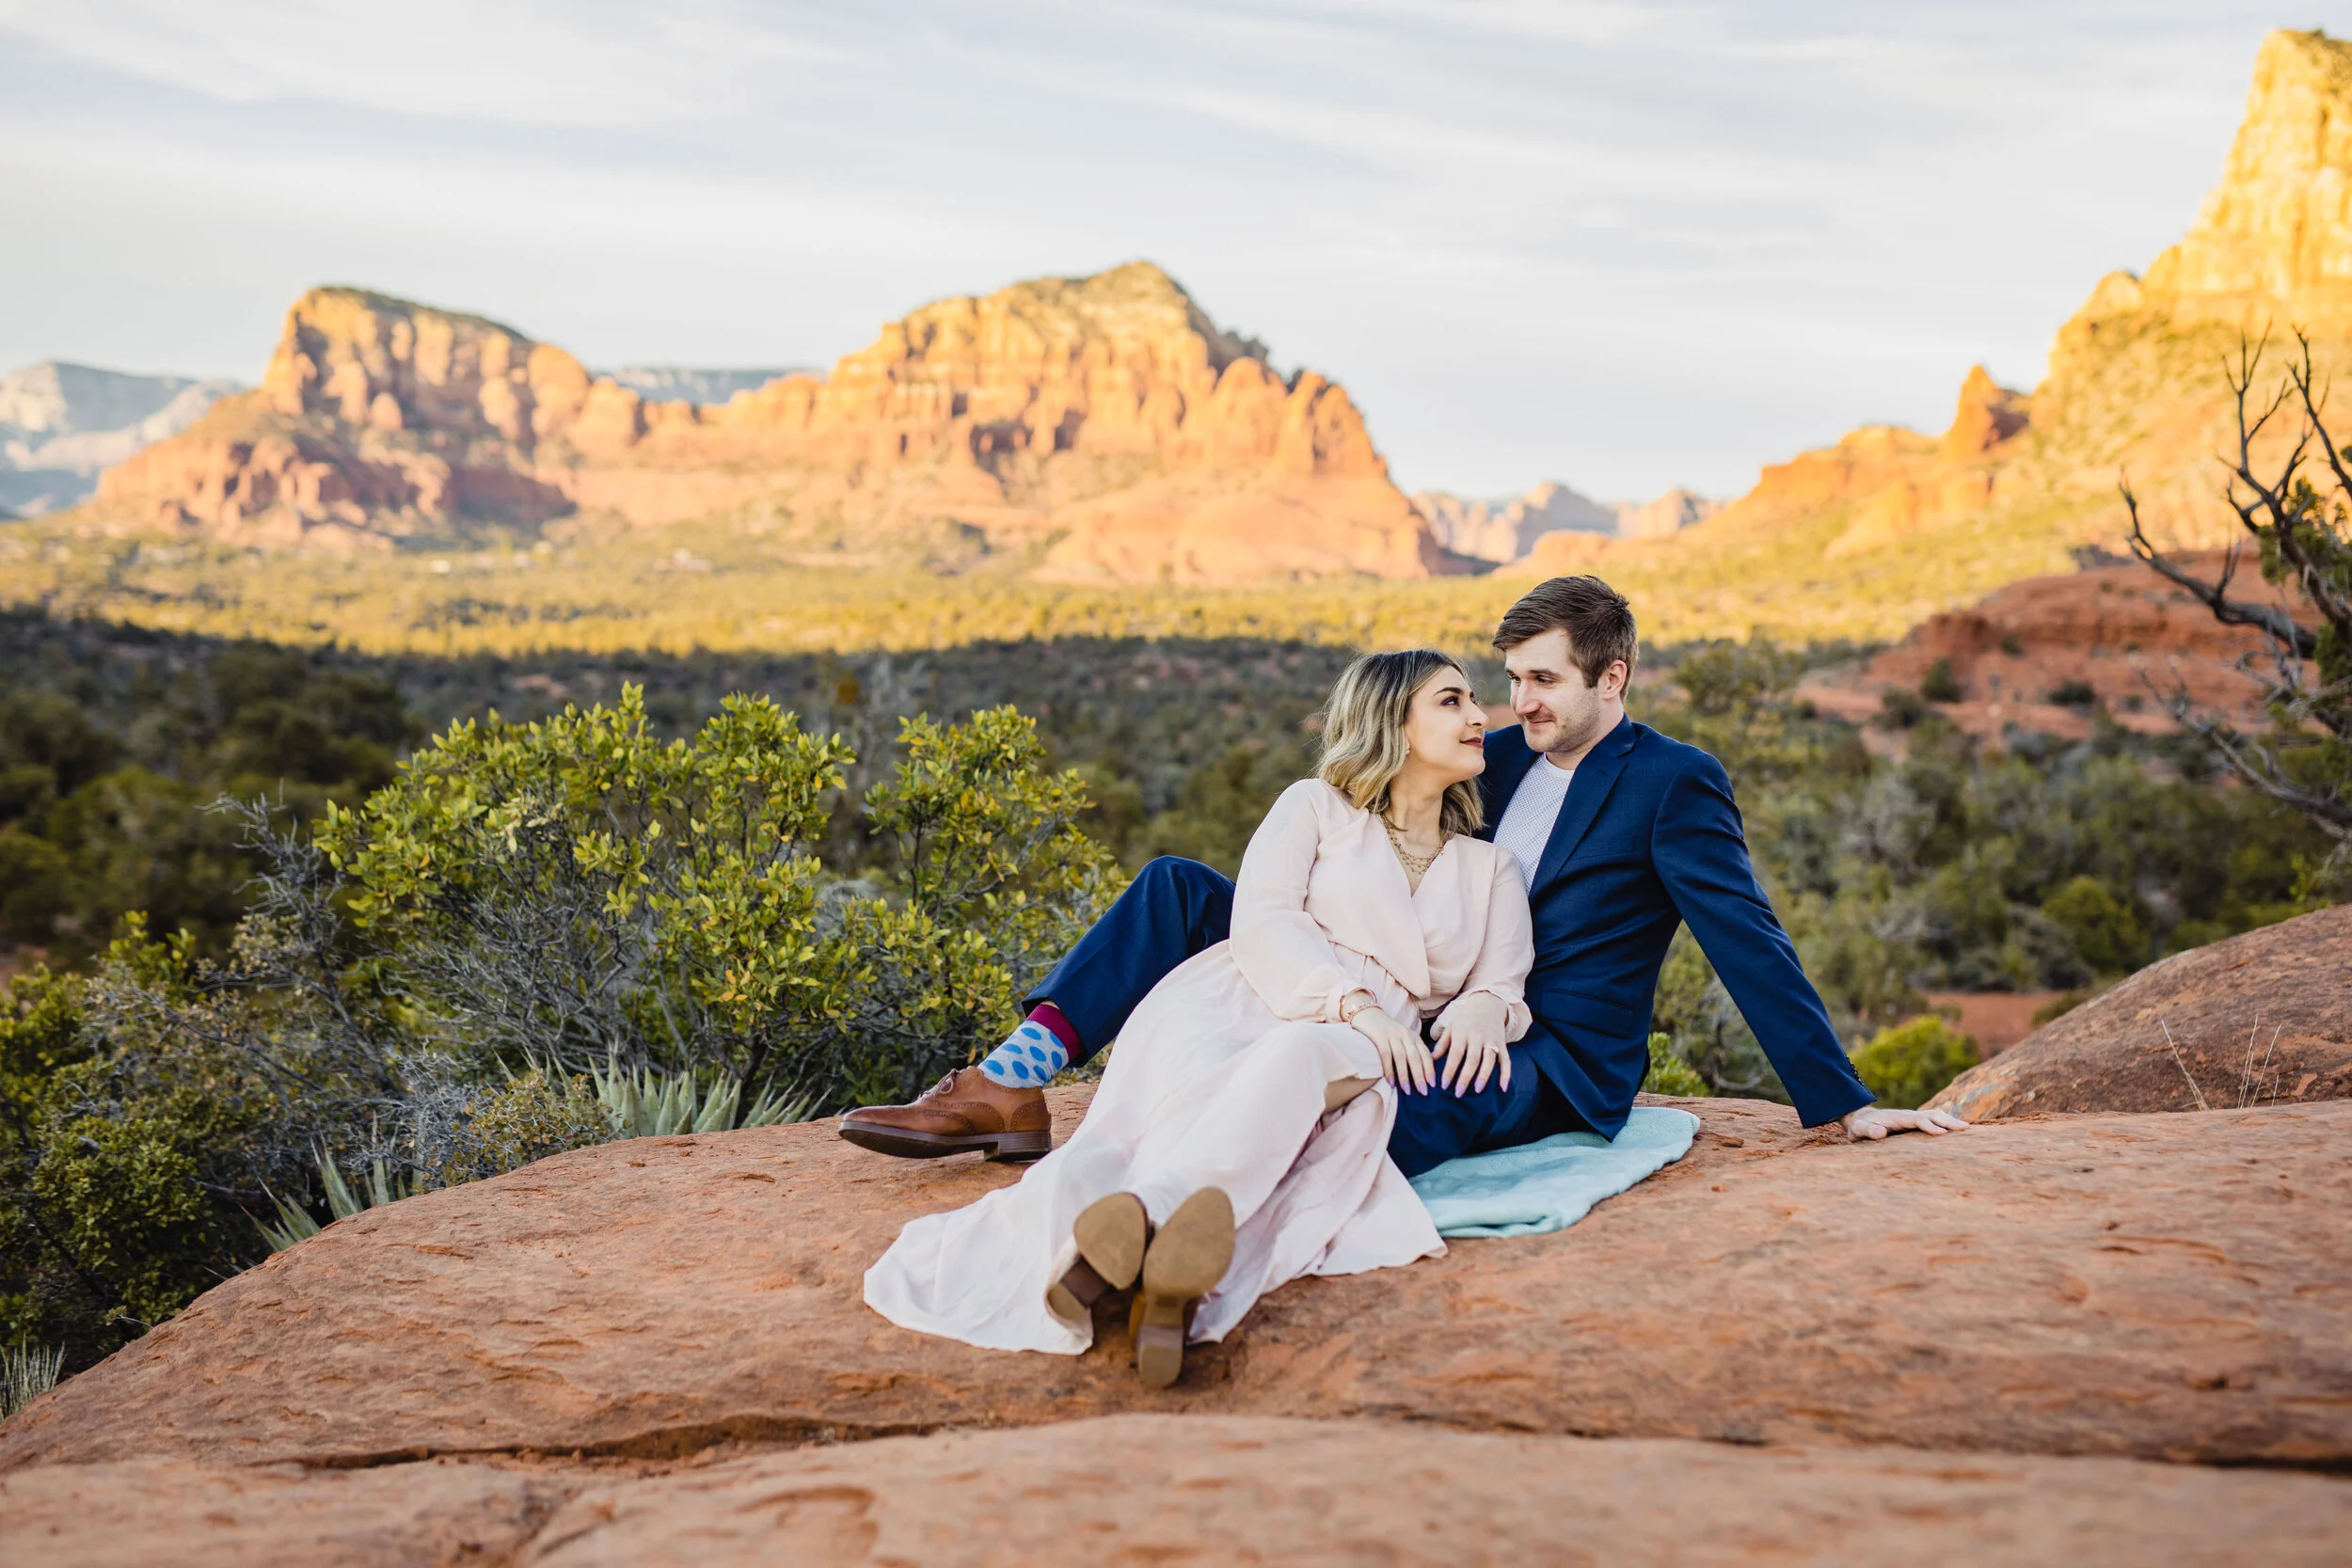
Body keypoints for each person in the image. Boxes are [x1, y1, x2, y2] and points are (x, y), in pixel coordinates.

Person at [841, 575, 1968, 1180]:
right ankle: (1011, 1079)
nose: (1514, 703)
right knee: (1179, 889)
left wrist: (1841, 1100)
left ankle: (1191, 1203)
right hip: (1394, 982)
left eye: (1541, 681)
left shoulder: (1673, 782)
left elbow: (1745, 935)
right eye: (1506, 680)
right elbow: (1361, 838)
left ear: (1612, 677)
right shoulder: (1497, 752)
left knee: (1374, 1112)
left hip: (1537, 1044)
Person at [864, 649, 1531, 1386]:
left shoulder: (1488, 868)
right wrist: (1355, 1005)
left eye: (1474, 699)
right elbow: (1265, 917)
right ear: (1392, 722)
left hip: (1362, 1045)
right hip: (1256, 996)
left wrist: (1484, 1007)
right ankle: (1164, 1276)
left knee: (1297, 1058)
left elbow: (1504, 981)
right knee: (1178, 1107)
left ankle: (1129, 1231)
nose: (1479, 716)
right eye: (1451, 700)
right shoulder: (1315, 807)